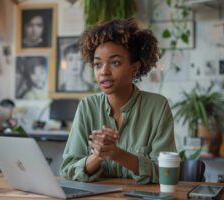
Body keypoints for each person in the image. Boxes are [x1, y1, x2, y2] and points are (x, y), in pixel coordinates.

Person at [60, 18, 176, 184]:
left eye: (115, 63)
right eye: (98, 65)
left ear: (135, 68)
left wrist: (117, 154)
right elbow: (68, 169)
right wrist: (98, 156)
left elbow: (166, 172)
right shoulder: (87, 106)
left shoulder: (157, 107)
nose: (104, 72)